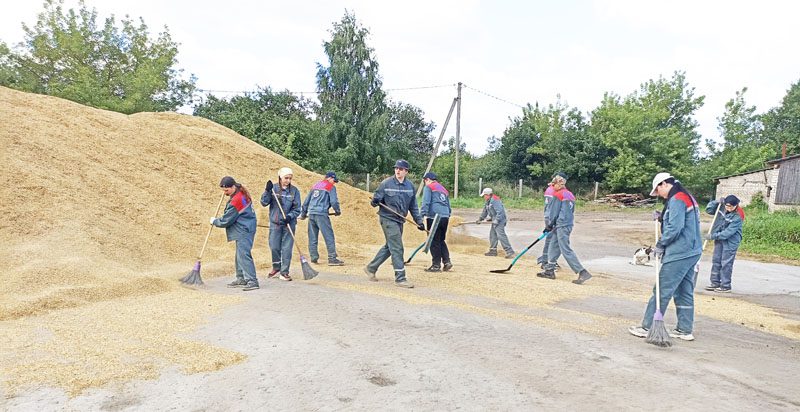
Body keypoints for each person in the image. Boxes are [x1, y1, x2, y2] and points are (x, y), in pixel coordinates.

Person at [629, 173, 702, 342]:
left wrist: (661, 244)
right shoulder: (687, 197)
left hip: (679, 252)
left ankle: (647, 326)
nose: (658, 194)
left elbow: (675, 227)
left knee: (661, 290)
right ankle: (685, 329)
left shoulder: (677, 199)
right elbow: (680, 220)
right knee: (684, 291)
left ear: (664, 184)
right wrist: (662, 217)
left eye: (658, 190)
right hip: (692, 251)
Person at [364, 159, 425, 288]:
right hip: (387, 218)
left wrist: (419, 222)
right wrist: (374, 201)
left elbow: (413, 207)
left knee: (390, 247)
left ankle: (371, 268)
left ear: (406, 172)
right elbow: (376, 200)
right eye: (396, 168)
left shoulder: (410, 187)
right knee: (397, 247)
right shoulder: (386, 183)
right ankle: (400, 278)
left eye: (401, 169)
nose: (398, 170)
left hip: (400, 220)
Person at [538, 173, 592, 285]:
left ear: (558, 184)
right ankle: (549, 270)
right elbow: (569, 211)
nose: (552, 187)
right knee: (553, 245)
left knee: (565, 249)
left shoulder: (558, 195)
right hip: (566, 224)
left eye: (553, 184)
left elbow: (554, 213)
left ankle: (582, 272)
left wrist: (549, 225)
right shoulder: (570, 194)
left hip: (561, 225)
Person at [211, 176, 259, 291]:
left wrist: (214, 221)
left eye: (226, 190)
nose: (225, 193)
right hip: (245, 226)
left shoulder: (237, 200)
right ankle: (241, 278)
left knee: (244, 255)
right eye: (223, 190)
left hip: (244, 229)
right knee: (239, 255)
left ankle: (252, 281)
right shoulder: (240, 193)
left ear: (232, 187)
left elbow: (226, 220)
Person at [260, 167, 302, 281]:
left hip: (289, 224)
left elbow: (298, 208)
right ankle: (276, 267)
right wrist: (267, 191)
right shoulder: (273, 188)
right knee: (274, 246)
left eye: (290, 178)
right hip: (275, 223)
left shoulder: (294, 191)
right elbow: (264, 202)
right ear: (280, 177)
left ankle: (284, 272)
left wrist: (290, 216)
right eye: (286, 178)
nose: (288, 180)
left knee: (287, 248)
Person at [300, 171, 344, 266]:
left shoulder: (316, 185)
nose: (334, 182)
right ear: (329, 178)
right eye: (334, 180)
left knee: (312, 237)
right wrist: (337, 211)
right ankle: (332, 258)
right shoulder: (330, 187)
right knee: (329, 236)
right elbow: (334, 202)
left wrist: (303, 214)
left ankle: (314, 257)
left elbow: (306, 201)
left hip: (311, 214)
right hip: (321, 214)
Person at [704, 194, 744, 293]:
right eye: (727, 206)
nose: (728, 208)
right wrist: (716, 201)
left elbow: (727, 233)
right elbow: (708, 210)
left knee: (726, 263)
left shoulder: (738, 216)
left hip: (730, 242)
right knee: (716, 261)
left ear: (736, 205)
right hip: (719, 240)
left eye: (731, 206)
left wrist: (712, 236)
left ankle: (725, 286)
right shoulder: (721, 207)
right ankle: (715, 283)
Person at [419, 172, 452, 272]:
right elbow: (448, 206)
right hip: (445, 216)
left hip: (434, 217)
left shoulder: (429, 187)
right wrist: (447, 215)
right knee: (441, 240)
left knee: (434, 241)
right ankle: (447, 262)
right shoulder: (443, 189)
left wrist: (420, 217)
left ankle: (436, 265)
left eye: (425, 181)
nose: (425, 183)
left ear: (427, 179)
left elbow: (426, 203)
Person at [476, 188, 515, 258]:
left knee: (501, 235)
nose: (483, 197)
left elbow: (500, 212)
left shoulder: (495, 200)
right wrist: (480, 219)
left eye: (484, 195)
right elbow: (485, 211)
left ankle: (510, 252)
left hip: (500, 220)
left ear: (488, 195)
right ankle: (493, 251)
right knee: (492, 235)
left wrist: (497, 220)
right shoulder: (488, 201)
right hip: (494, 220)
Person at [536, 181, 557, 269]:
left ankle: (547, 260)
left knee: (550, 239)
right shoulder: (554, 191)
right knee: (551, 240)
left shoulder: (549, 189)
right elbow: (554, 208)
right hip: (551, 218)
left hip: (547, 216)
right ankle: (546, 261)